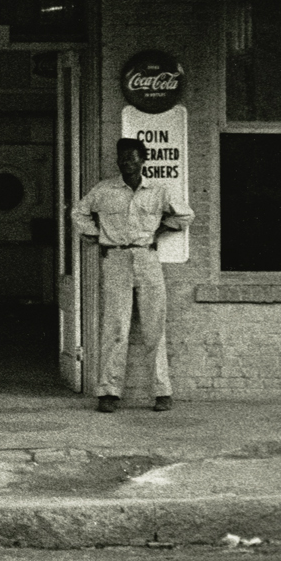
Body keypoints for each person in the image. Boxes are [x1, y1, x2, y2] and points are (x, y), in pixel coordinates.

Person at [71, 137, 193, 414]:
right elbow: (79, 213)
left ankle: (162, 392)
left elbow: (185, 216)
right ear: (117, 161)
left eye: (133, 157)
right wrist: (97, 236)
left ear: (143, 160)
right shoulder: (104, 190)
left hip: (147, 258)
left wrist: (159, 232)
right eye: (123, 157)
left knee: (154, 327)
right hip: (115, 259)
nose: (127, 162)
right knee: (115, 327)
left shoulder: (158, 191)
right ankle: (109, 392)